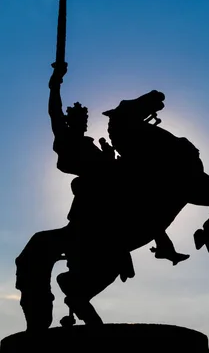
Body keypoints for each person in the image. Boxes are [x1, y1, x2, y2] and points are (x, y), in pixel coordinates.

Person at [48, 62, 189, 266]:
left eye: (86, 118)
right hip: (95, 185)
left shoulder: (90, 143)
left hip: (106, 177)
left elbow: (105, 164)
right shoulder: (65, 134)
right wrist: (56, 80)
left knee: (147, 193)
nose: (85, 122)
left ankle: (163, 246)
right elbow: (54, 109)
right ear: (71, 121)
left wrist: (109, 156)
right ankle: (131, 248)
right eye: (81, 119)